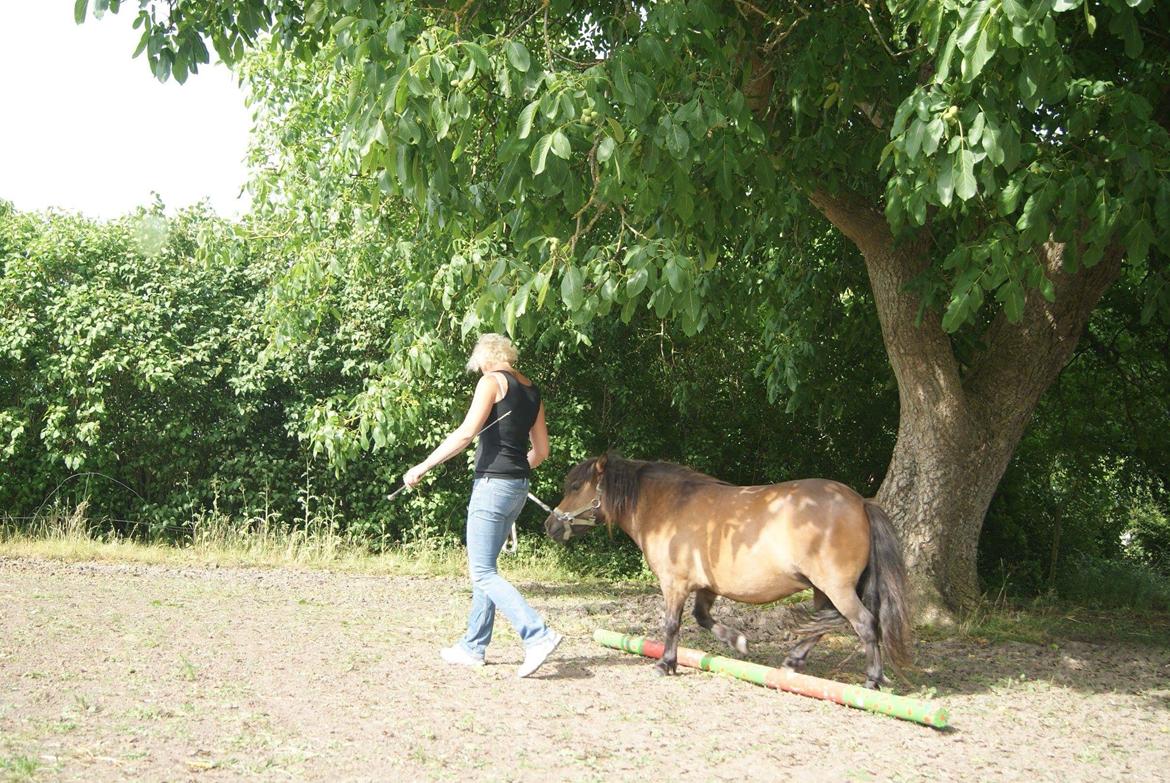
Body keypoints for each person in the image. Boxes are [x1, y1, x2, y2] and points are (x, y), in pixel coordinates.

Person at [403, 333, 561, 678]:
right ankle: (473, 647)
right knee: (486, 567)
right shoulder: (532, 390)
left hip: (492, 486)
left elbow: (465, 434)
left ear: (485, 358)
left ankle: (538, 635)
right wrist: (516, 468)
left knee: (483, 572)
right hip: (517, 486)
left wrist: (422, 466)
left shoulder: (491, 381)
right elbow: (542, 452)